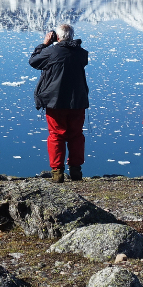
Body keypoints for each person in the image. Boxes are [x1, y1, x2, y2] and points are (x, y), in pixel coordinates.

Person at [29, 24, 90, 183]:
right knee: (76, 135)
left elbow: (34, 61)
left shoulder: (51, 51)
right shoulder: (82, 54)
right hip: (78, 101)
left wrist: (44, 44)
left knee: (56, 136)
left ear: (57, 37)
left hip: (55, 101)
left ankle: (57, 173)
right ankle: (76, 171)